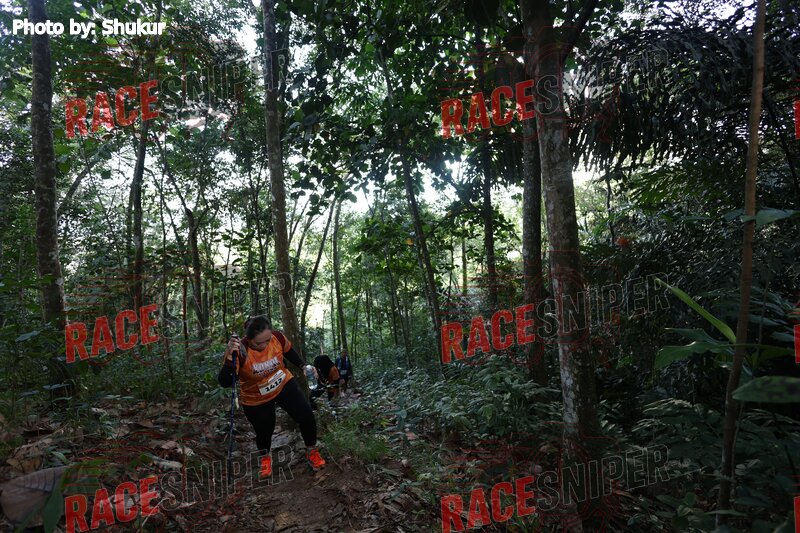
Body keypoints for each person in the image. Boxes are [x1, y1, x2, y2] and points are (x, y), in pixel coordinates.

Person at [218, 315, 327, 475]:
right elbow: (225, 382)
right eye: (258, 343)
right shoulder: (240, 350)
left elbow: (289, 352)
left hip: (283, 383)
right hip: (256, 396)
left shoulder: (277, 338)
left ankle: (312, 452)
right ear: (248, 339)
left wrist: (303, 366)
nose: (264, 345)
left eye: (267, 341)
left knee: (306, 415)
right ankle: (265, 458)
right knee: (264, 431)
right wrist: (229, 357)